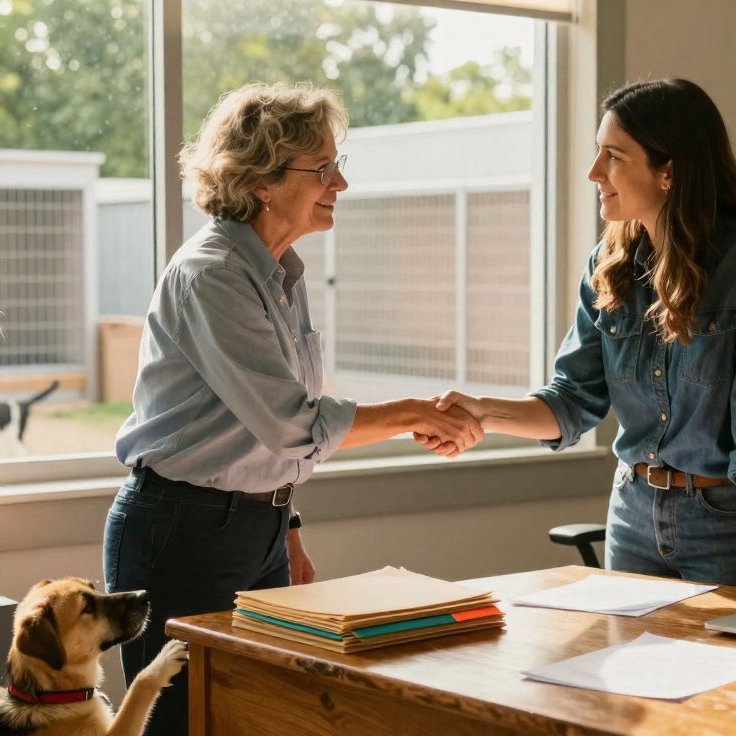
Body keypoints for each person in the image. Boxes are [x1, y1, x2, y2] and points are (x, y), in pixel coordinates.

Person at [106, 82, 481, 735]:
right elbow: (291, 424)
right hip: (181, 533)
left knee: (264, 718)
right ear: (262, 181)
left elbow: (272, 426)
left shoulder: (282, 272)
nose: (341, 182)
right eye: (323, 168)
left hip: (254, 528)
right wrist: (417, 413)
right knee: (182, 724)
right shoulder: (213, 274)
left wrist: (286, 522)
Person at [419, 78, 736, 598]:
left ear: (668, 170)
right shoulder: (611, 264)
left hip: (727, 524)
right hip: (633, 514)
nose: (593, 173)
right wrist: (483, 413)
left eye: (613, 157)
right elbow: (573, 401)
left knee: (729, 677)